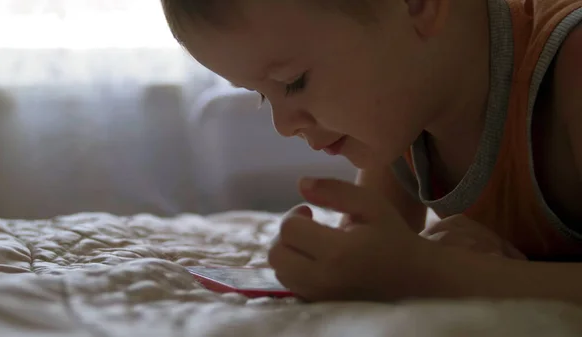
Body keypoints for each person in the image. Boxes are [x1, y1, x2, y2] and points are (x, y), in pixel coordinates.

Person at [160, 0, 582, 302]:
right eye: (263, 97)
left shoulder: (571, 66)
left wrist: (441, 274)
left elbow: (419, 274)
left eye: (293, 82)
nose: (283, 126)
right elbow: (376, 258)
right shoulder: (400, 120)